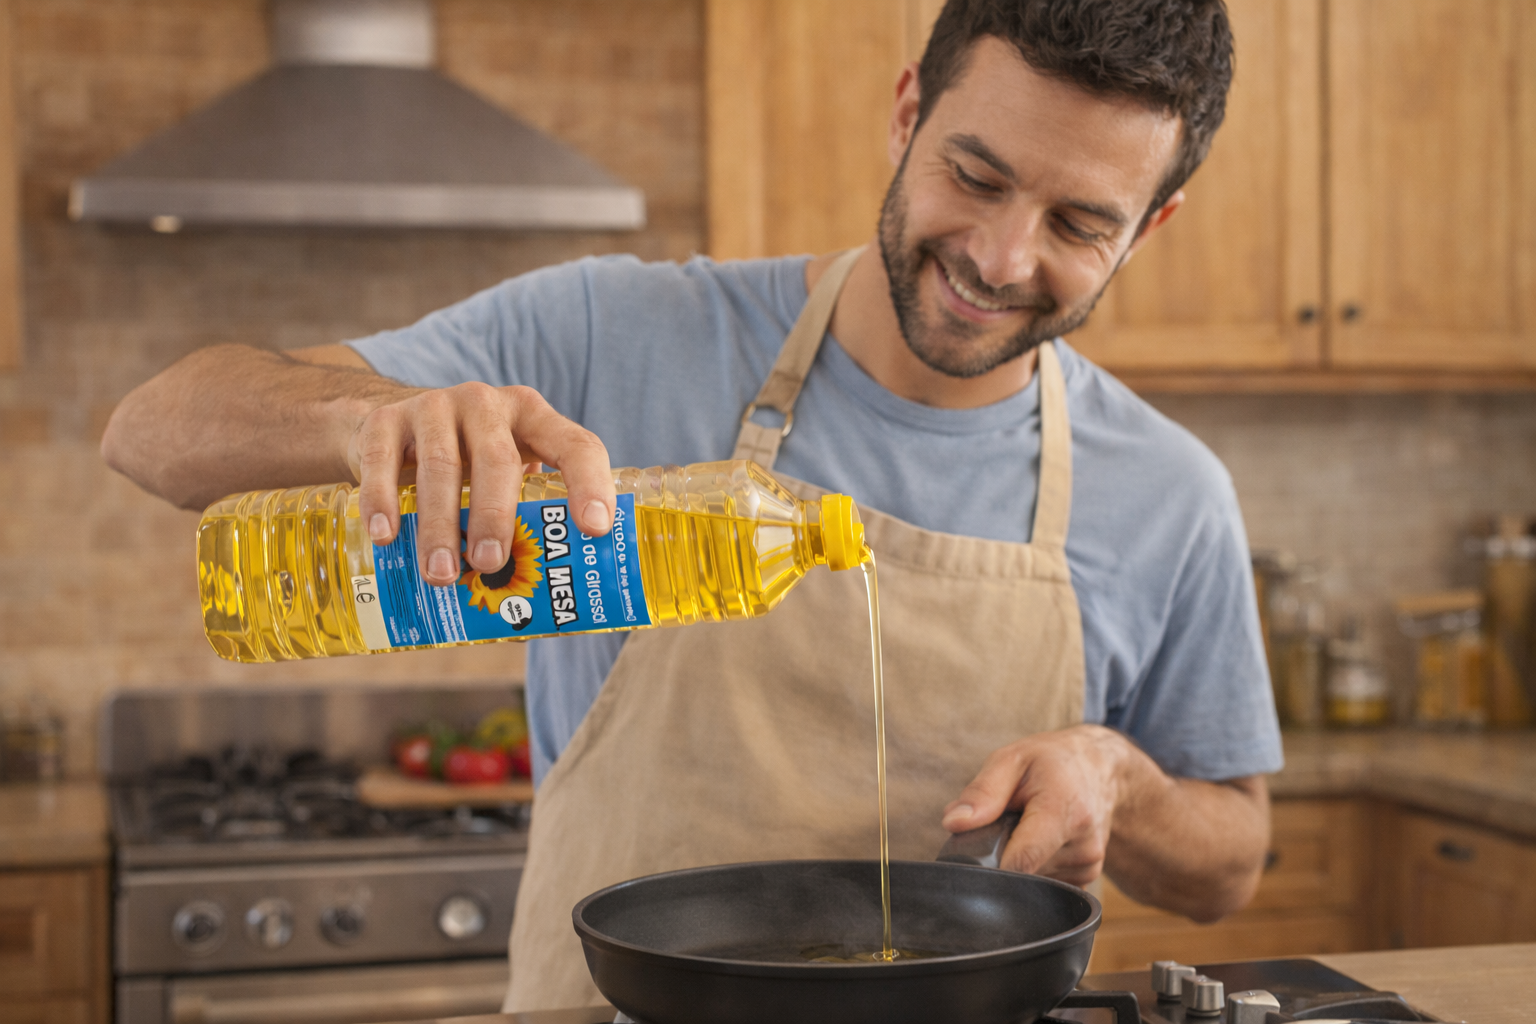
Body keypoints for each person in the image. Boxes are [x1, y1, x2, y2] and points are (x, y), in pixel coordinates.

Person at [104, 0, 1282, 1010]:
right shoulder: (609, 336)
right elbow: (151, 431)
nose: (1002, 256)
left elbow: (1228, 864)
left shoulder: (1168, 493)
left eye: (1080, 225)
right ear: (907, 112)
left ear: (1151, 227)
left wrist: (1117, 778)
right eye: (975, 175)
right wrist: (358, 421)